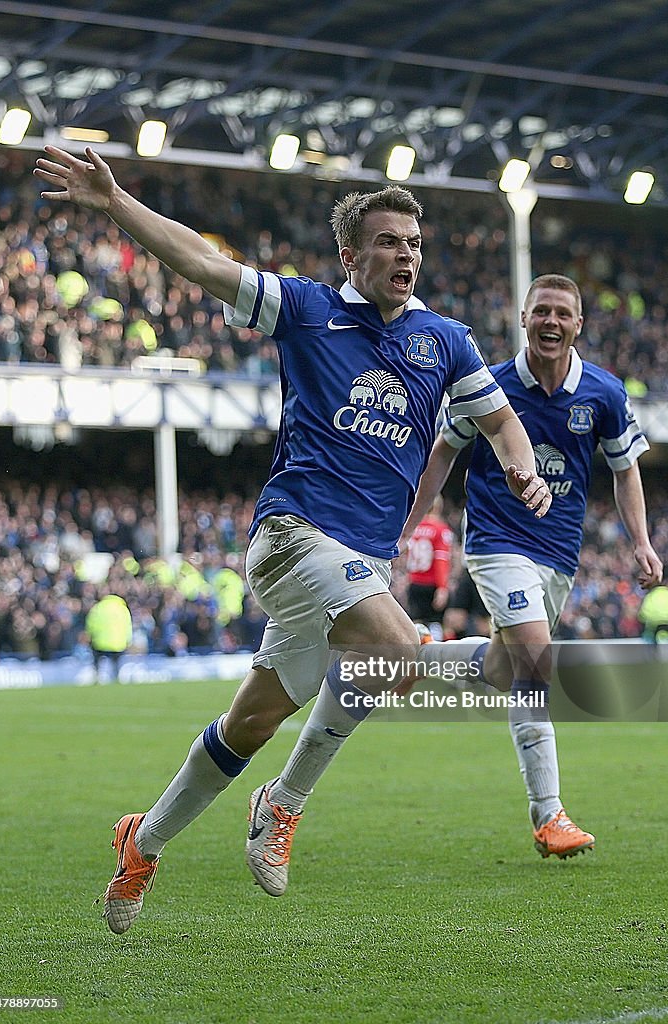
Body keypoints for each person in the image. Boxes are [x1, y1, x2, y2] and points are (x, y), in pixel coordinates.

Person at [35, 146, 552, 930]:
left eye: (413, 243)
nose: (404, 254)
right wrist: (115, 203)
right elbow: (200, 263)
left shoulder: (443, 340)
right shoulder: (306, 309)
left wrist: (522, 469)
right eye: (387, 241)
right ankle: (282, 803)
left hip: (358, 562)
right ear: (351, 253)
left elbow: (501, 420)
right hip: (293, 537)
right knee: (400, 652)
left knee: (250, 722)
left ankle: (143, 841)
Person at [402, 273, 663, 858]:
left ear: (578, 325)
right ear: (523, 318)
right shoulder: (487, 386)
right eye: (540, 310)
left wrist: (641, 541)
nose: (551, 322)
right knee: (535, 666)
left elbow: (626, 470)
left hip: (558, 558)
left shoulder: (603, 393)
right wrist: (411, 524)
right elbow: (443, 452)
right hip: (496, 543)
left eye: (562, 314)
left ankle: (411, 657)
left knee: (503, 667)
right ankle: (549, 816)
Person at [405, 495, 453, 638]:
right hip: (431, 583)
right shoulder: (440, 529)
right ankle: (434, 658)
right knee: (435, 624)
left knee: (416, 622)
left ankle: (415, 656)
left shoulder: (414, 528)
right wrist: (442, 587)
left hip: (414, 581)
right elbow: (440, 560)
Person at [84, 591, 133, 684]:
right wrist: (128, 640)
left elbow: (90, 624)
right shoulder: (122, 609)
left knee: (98, 662)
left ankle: (97, 678)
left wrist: (90, 636)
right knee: (116, 664)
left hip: (99, 641)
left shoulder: (98, 607)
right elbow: (128, 625)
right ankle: (116, 678)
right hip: (118, 643)